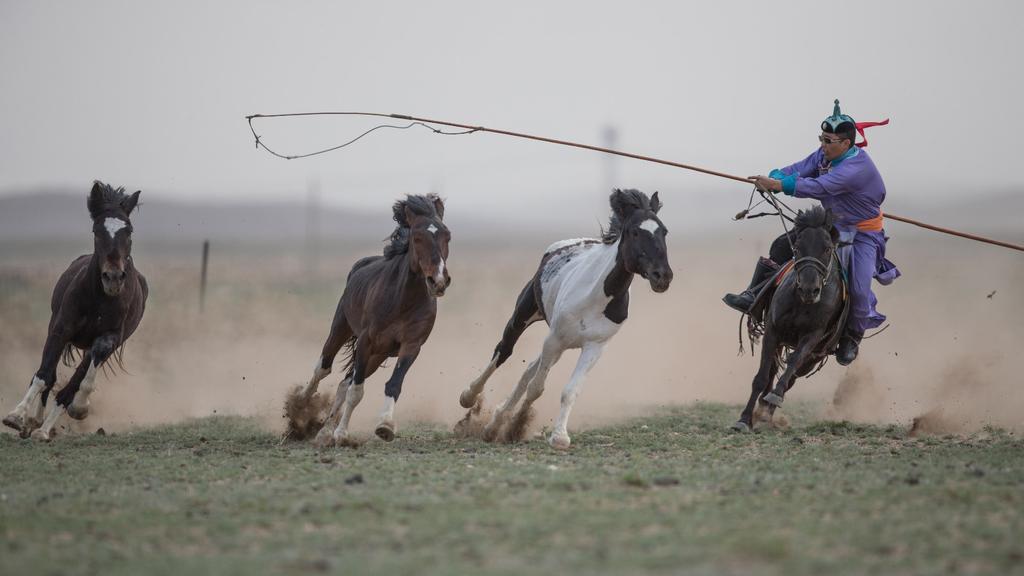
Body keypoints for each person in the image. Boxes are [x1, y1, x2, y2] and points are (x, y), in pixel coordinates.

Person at [723, 100, 899, 365]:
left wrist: (779, 185)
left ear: (846, 144)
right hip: (832, 225)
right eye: (821, 139)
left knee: (859, 288)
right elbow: (798, 169)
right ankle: (753, 295)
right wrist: (776, 176)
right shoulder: (824, 155)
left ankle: (851, 337)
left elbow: (820, 187)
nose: (823, 145)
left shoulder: (857, 168)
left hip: (863, 235)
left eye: (828, 141)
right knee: (782, 246)